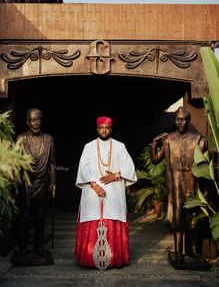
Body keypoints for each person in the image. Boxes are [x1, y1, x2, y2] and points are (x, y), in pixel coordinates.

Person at [75, 116, 137, 269]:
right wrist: (95, 186)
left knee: (113, 218)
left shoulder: (120, 146)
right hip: (92, 192)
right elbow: (83, 169)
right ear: (97, 129)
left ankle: (115, 259)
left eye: (107, 128)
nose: (104, 130)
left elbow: (130, 167)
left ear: (111, 129)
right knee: (92, 218)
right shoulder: (88, 147)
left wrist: (115, 175)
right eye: (101, 127)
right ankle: (89, 259)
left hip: (114, 193)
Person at [149, 106, 206, 264]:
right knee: (177, 218)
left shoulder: (198, 139)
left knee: (192, 217)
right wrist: (154, 143)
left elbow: (205, 165)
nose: (180, 122)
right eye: (177, 119)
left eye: (183, 119)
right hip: (175, 184)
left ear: (189, 121)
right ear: (175, 121)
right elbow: (155, 160)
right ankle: (179, 252)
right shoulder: (169, 139)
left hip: (192, 181)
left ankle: (192, 250)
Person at [17, 108, 56, 256]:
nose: (36, 123)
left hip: (42, 183)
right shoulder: (21, 139)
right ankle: (23, 246)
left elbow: (52, 163)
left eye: (38, 119)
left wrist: (53, 182)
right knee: (25, 217)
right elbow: (16, 164)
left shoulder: (48, 139)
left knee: (40, 217)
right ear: (27, 122)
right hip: (26, 184)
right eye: (33, 120)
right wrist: (15, 183)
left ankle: (38, 246)